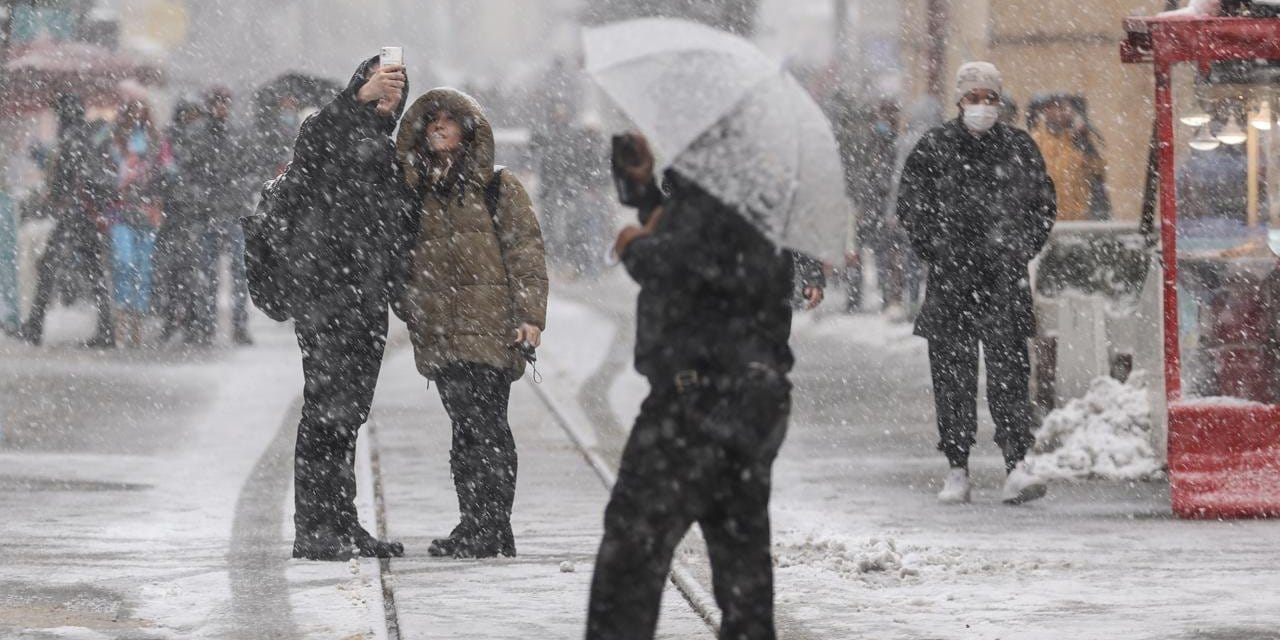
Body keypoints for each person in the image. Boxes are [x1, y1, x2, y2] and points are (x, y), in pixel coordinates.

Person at [585, 132, 824, 640]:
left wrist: (635, 247)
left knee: (631, 557)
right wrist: (645, 187)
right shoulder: (754, 195)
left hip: (696, 403)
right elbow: (689, 233)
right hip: (749, 400)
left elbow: (684, 263)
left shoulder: (724, 201)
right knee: (742, 567)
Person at [395, 88, 549, 559]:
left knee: (486, 427)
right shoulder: (415, 190)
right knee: (464, 430)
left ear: (468, 129)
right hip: (441, 329)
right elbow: (402, 258)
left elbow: (525, 252)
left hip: (489, 325)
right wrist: (411, 303)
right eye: (431, 120)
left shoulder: (498, 186)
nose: (438, 126)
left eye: (448, 120)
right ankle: (480, 524)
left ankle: (489, 525)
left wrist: (529, 316)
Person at [896, 62, 1057, 505]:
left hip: (1004, 279)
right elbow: (911, 205)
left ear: (1000, 101)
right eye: (974, 98)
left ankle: (1016, 464)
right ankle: (957, 466)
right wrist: (937, 248)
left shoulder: (1019, 147)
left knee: (1009, 374)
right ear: (960, 101)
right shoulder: (935, 147)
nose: (982, 106)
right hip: (951, 281)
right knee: (952, 377)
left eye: (990, 98)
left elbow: (1043, 205)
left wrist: (1018, 248)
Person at [285, 56, 412, 560]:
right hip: (326, 296)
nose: (388, 93)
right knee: (324, 413)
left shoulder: (391, 149)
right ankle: (314, 529)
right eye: (379, 81)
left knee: (350, 415)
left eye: (397, 86)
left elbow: (396, 228)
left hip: (366, 299)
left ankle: (342, 520)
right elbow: (311, 151)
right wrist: (354, 101)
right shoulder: (329, 130)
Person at [12, 94, 115, 347]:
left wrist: (54, 194)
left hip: (74, 217)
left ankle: (35, 328)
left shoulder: (71, 140)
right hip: (87, 217)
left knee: (48, 268)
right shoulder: (88, 139)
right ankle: (106, 330)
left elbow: (62, 185)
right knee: (95, 275)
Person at [189, 87, 254, 346]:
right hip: (207, 214)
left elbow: (250, 170)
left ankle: (239, 326)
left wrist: (236, 193)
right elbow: (189, 172)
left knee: (238, 273)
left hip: (232, 212)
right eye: (217, 103)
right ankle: (206, 324)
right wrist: (202, 197)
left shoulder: (238, 136)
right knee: (208, 274)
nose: (221, 108)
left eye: (224, 103)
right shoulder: (198, 137)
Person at [105, 98, 165, 348]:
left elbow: (163, 173)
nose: (137, 117)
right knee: (124, 261)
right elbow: (108, 171)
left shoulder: (155, 142)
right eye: (133, 112)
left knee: (143, 266)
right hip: (121, 211)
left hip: (146, 212)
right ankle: (122, 313)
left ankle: (137, 318)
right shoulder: (114, 141)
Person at [155, 99, 207, 344]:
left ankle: (191, 321)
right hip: (174, 214)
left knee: (189, 272)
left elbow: (206, 173)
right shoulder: (171, 141)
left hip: (189, 215)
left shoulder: (197, 141)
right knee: (174, 272)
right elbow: (162, 173)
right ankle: (174, 319)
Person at [1028, 93, 1110, 222]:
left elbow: (1098, 168)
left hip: (1078, 222)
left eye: (1065, 108)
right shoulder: (1034, 140)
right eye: (1056, 108)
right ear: (1045, 111)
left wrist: (1084, 138)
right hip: (1044, 222)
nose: (1062, 113)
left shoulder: (1079, 140)